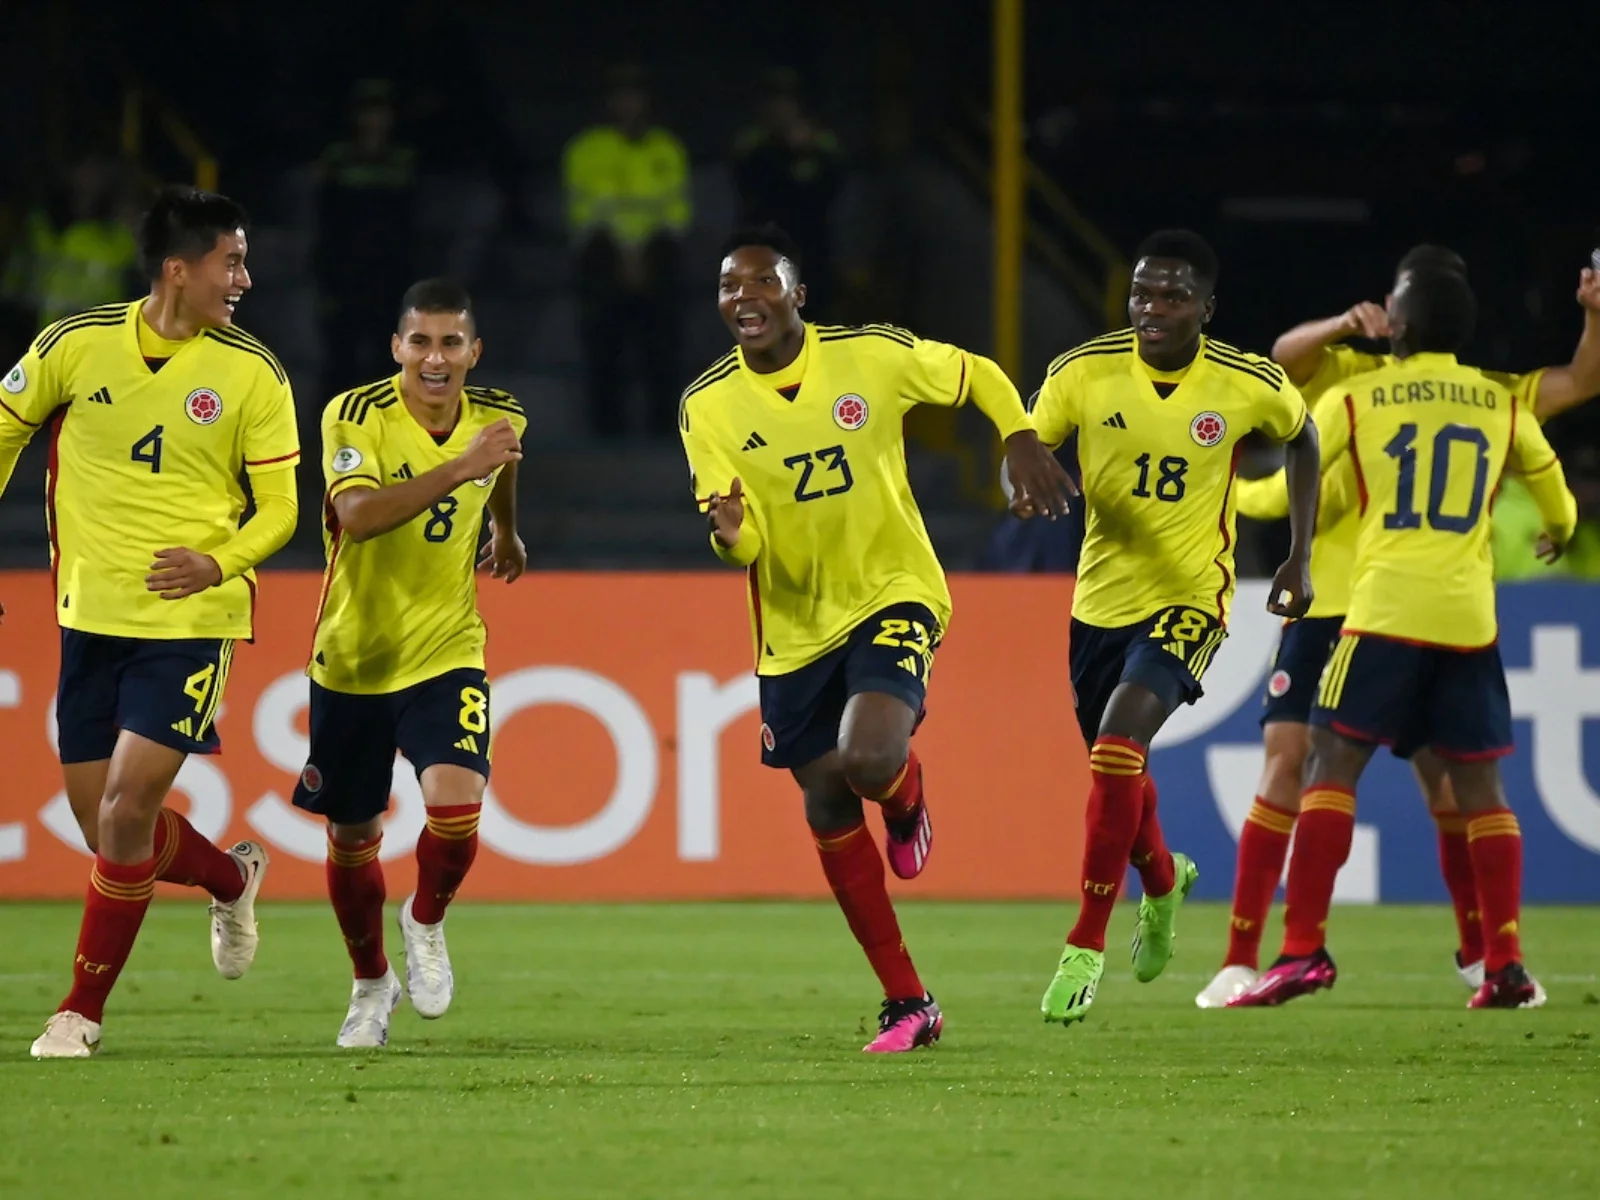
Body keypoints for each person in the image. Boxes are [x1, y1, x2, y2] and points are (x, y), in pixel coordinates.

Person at [679, 225, 1072, 1053]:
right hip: (792, 628)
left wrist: (1021, 435)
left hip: (894, 590)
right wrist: (728, 534)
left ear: (798, 294)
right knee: (825, 800)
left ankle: (904, 795)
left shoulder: (870, 356)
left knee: (866, 759)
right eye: (728, 286)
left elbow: (981, 375)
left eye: (761, 283)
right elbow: (740, 546)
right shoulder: (707, 407)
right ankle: (909, 1003)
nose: (743, 298)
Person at [1197, 252, 1600, 1008]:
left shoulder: (1359, 396)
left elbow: (1301, 455)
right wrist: (1560, 527)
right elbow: (1554, 486)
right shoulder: (1497, 401)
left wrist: (1262, 520)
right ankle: (1504, 963)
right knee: (1480, 788)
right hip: (1468, 619)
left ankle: (1303, 950)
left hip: (1380, 612)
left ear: (1401, 322)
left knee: (1329, 767)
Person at [0, 186, 300, 1058]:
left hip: (191, 617)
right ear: (180, 267)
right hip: (88, 615)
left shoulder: (252, 372)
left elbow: (280, 506)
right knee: (105, 832)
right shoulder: (76, 345)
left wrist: (223, 561)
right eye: (230, 262)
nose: (244, 278)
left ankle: (78, 1013)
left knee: (130, 813)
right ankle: (229, 874)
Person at [1027, 230, 1320, 1026]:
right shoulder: (1083, 372)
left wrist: (1298, 554)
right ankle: (1162, 881)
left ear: (1205, 308)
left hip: (1190, 598)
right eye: (1142, 294)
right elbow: (1029, 442)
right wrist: (1022, 469)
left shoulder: (1244, 381)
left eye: (1172, 296)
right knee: (1115, 768)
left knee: (1119, 747)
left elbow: (1303, 436)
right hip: (1097, 606)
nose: (1152, 309)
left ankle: (1084, 947)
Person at [293, 278, 526, 1049]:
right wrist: (461, 469)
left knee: (457, 814)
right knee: (353, 837)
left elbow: (503, 464)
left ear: (474, 351)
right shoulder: (353, 415)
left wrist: (508, 531)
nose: (435, 357)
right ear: (397, 347)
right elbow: (355, 518)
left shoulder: (501, 419)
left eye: (450, 342)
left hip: (446, 648)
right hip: (354, 658)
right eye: (420, 342)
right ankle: (369, 984)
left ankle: (425, 919)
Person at [563, 66, 691, 440]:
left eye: (634, 93)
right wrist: (623, 251)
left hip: (655, 253)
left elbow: (677, 213)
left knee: (662, 341)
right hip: (603, 254)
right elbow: (582, 213)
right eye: (620, 94)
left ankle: (663, 425)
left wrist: (641, 252)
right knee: (603, 339)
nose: (628, 102)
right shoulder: (585, 149)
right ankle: (607, 428)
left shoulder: (668, 148)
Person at [314, 80, 418, 396]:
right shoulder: (337, 159)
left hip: (389, 273)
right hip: (344, 273)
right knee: (340, 356)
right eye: (367, 112)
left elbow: (408, 225)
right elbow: (326, 222)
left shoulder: (403, 160)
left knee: (387, 357)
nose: (374, 120)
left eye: (381, 112)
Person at [732, 69, 845, 318]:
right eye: (773, 101)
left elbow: (835, 185)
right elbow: (749, 185)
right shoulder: (754, 146)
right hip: (767, 254)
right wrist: (783, 151)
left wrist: (805, 150)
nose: (779, 108)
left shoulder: (822, 145)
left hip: (814, 256)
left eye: (786, 100)